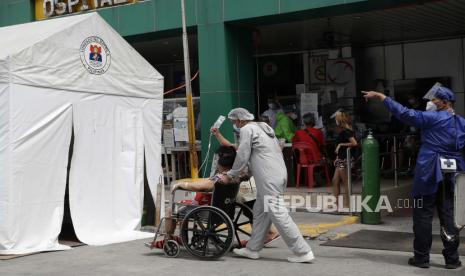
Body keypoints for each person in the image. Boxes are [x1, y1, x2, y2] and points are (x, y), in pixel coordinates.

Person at [363, 86, 464, 270]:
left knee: (423, 214)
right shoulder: (460, 122)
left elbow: (405, 113)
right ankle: (452, 259)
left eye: (434, 100)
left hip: (430, 170)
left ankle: (422, 257)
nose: (430, 103)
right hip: (453, 173)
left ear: (445, 103)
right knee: (448, 214)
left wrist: (382, 97)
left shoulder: (433, 118)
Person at [219, 107, 314, 263]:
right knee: (260, 211)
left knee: (278, 213)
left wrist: (230, 175)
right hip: (277, 174)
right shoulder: (263, 128)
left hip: (268, 178)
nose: (234, 124)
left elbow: (243, 155)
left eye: (234, 121)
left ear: (240, 120)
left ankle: (303, 251)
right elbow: (259, 154)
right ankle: (252, 249)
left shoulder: (247, 129)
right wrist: (247, 173)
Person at [210, 127, 281, 246]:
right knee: (251, 211)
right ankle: (263, 235)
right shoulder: (243, 148)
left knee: (252, 212)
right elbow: (228, 144)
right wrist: (217, 134)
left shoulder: (249, 148)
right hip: (247, 183)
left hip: (248, 185)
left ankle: (270, 233)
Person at [332, 111, 358, 208]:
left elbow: (354, 143)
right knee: (335, 180)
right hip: (341, 158)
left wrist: (340, 144)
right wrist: (337, 157)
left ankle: (348, 203)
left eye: (336, 118)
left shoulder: (346, 131)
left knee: (345, 180)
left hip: (344, 159)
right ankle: (336, 203)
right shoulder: (346, 130)